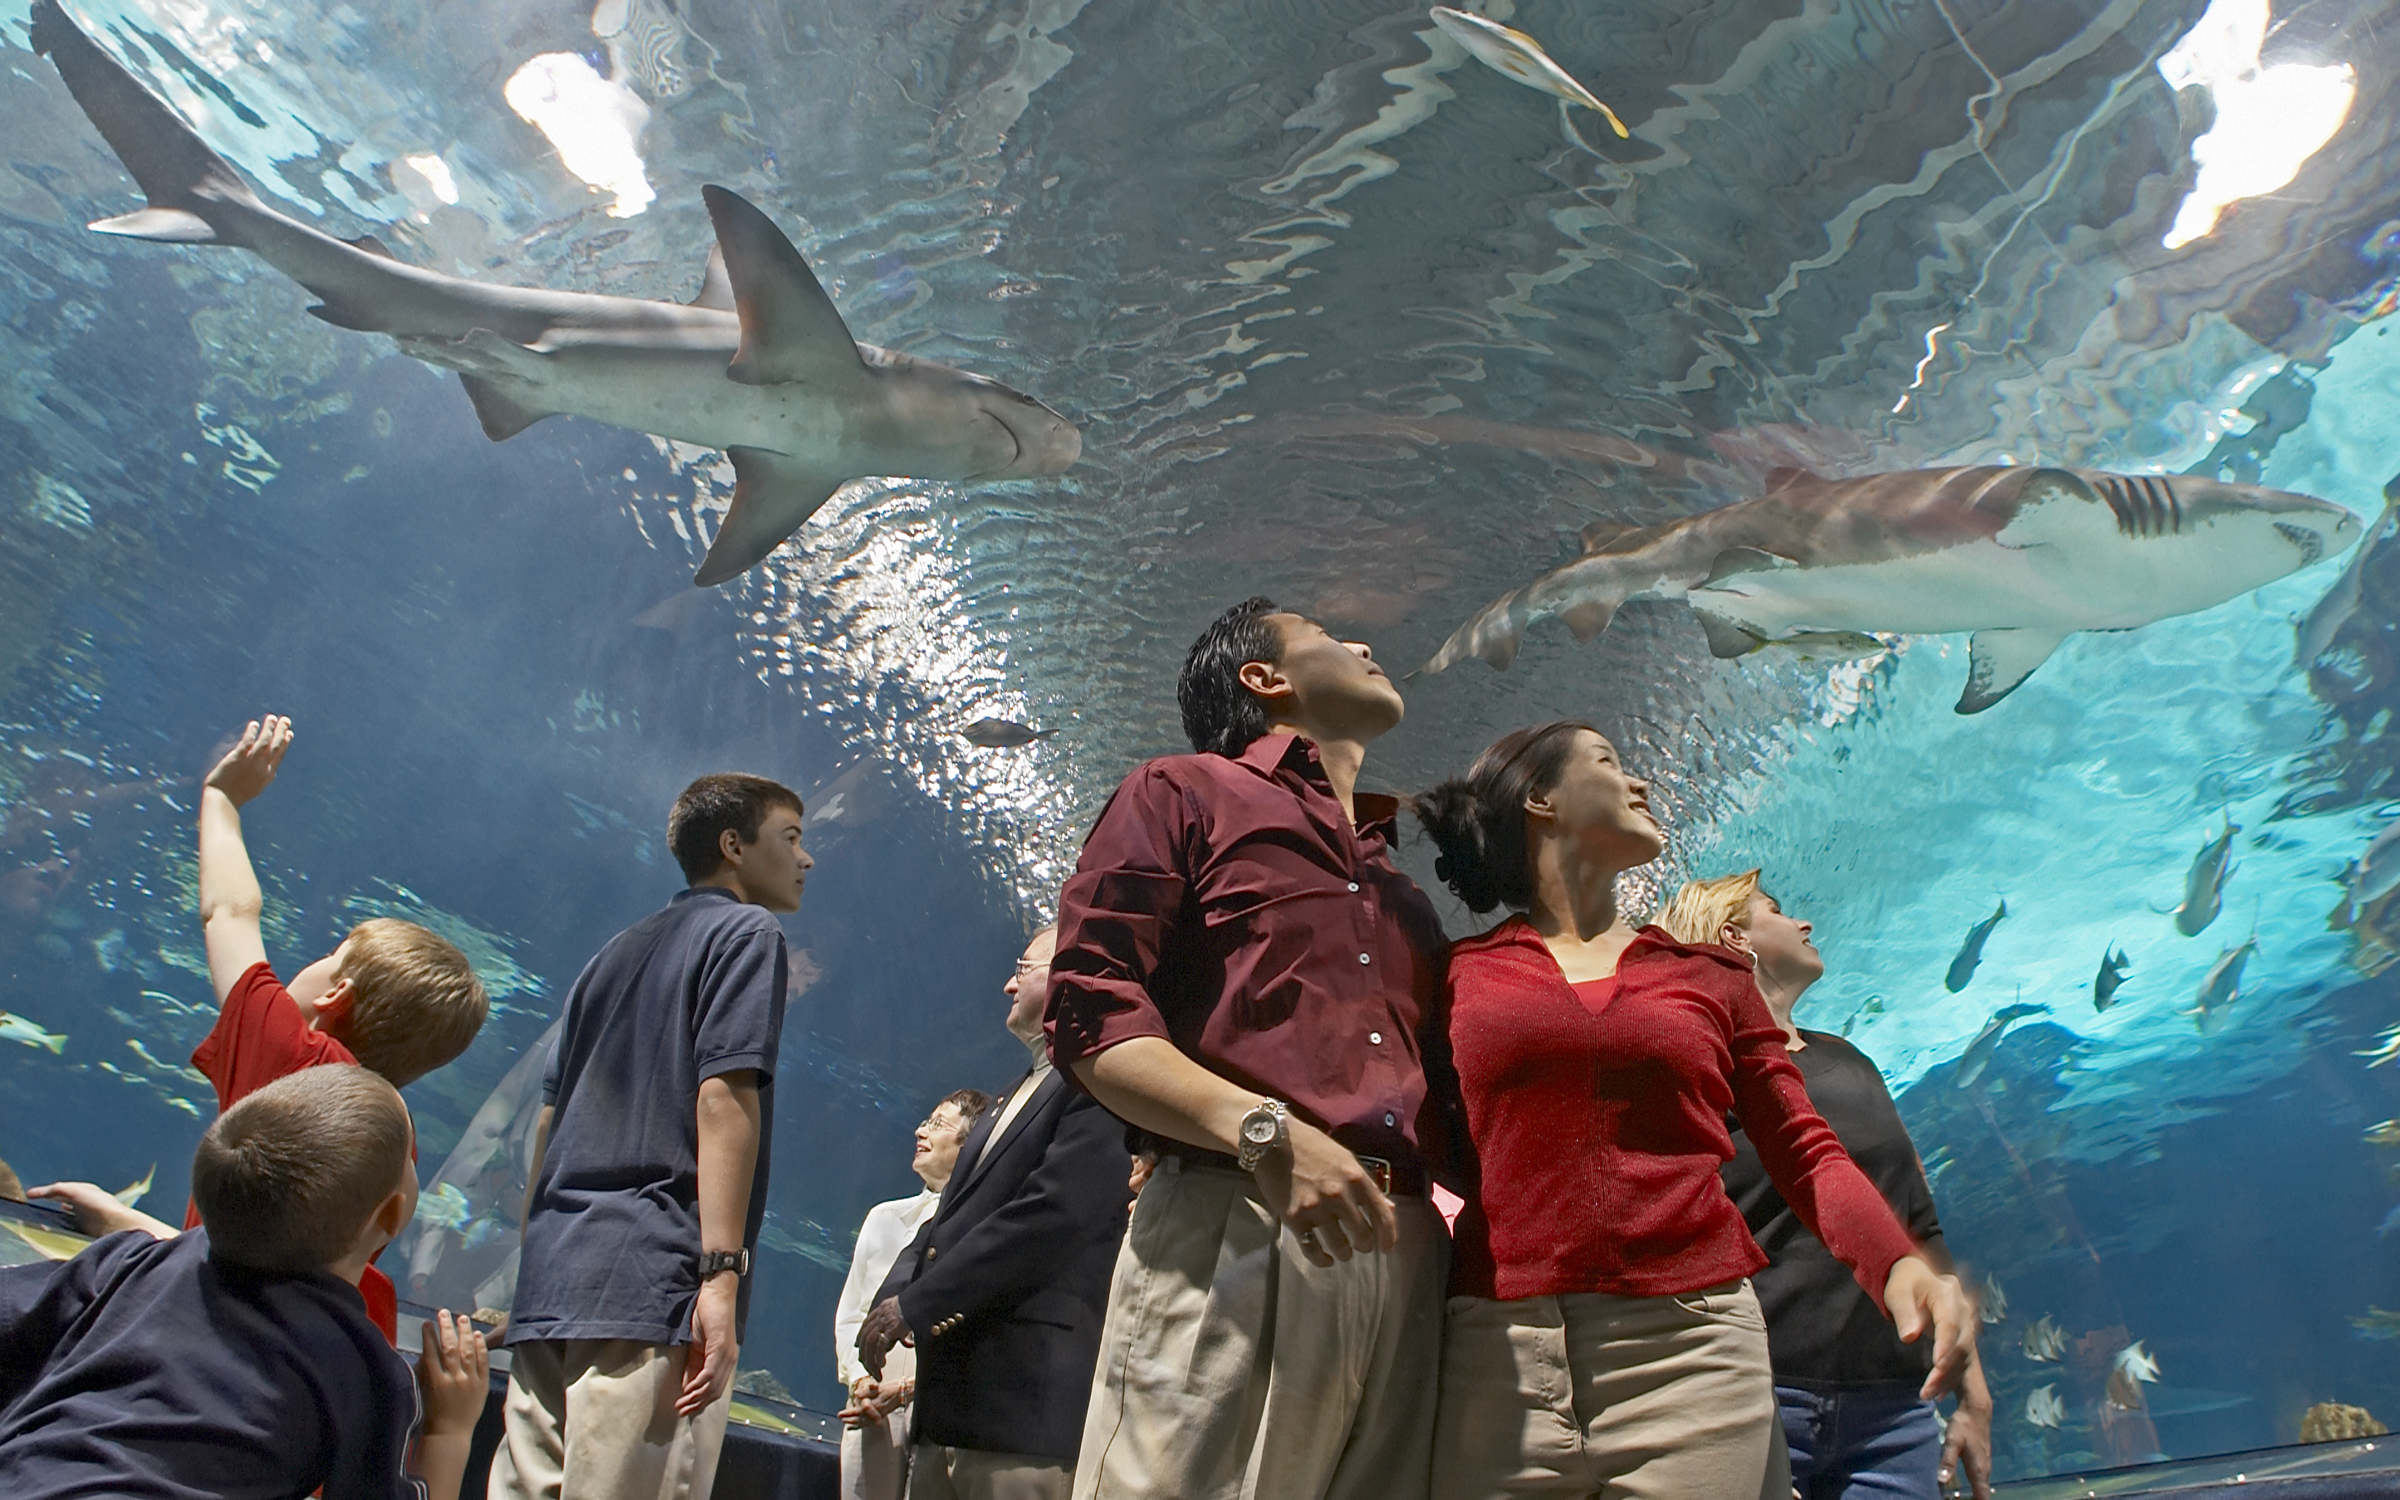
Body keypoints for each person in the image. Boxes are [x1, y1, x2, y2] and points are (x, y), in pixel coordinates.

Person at [1413, 721, 1978, 1500]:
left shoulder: (1711, 977)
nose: (1638, 783)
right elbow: (1427, 1140)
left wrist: (1898, 1265)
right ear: (1540, 798)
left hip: (1692, 1353)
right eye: (1609, 761)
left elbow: (1805, 1149)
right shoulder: (1454, 975)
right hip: (1497, 1356)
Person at [1046, 597, 1454, 1500]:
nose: (1365, 642)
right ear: (1263, 679)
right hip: (1237, 1216)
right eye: (1328, 637)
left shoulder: (1400, 889)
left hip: (1410, 1252)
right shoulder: (1181, 790)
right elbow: (1085, 1011)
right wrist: (1265, 1131)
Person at [492, 772, 811, 1500]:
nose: (806, 858)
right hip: (651, 1279)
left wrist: (538, 1249)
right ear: (734, 846)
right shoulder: (747, 932)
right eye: (791, 838)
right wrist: (722, 1272)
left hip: (554, 1279)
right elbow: (723, 1097)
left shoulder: (610, 954)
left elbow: (548, 1118)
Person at [0, 1065, 491, 1499]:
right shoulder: (362, 1371)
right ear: (392, 1212)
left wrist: (121, 1225)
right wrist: (449, 1432)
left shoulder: (127, 1261)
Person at [1658, 872, 1994, 1500]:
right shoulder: (1697, 1069)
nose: (1805, 924)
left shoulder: (1852, 1060)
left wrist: (1974, 1394)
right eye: (1777, 911)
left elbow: (1920, 1229)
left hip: (1897, 1413)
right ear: (1734, 937)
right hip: (1755, 1398)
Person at [168, 714, 489, 1343]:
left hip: (198, 1339)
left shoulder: (290, 1061)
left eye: (333, 954)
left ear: (337, 992)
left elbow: (230, 912)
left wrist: (222, 797)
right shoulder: (393, 1135)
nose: (315, 961)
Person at [861, 925, 1134, 1500]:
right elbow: (945, 1218)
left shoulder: (1099, 1083)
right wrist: (893, 1294)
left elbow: (1053, 1213)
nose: (1008, 985)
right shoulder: (1007, 1097)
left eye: (1022, 968)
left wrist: (916, 1303)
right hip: (951, 1408)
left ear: (1066, 974)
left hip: (1023, 1411)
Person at [836, 1088, 993, 1500]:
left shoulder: (984, 1230)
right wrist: (859, 1379)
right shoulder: (883, 1218)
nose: (921, 1131)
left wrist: (908, 1388)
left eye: (939, 1124)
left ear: (971, 1141)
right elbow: (852, 1312)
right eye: (926, 1121)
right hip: (869, 1408)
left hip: (938, 1409)